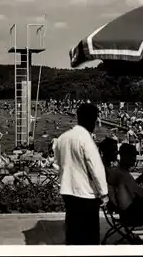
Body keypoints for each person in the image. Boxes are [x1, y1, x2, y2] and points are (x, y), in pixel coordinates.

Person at [53, 103, 108, 245]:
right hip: (85, 193)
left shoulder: (62, 138)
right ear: (92, 120)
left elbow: (57, 164)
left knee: (72, 231)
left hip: (67, 190)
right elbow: (96, 169)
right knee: (89, 236)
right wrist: (104, 193)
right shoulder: (86, 139)